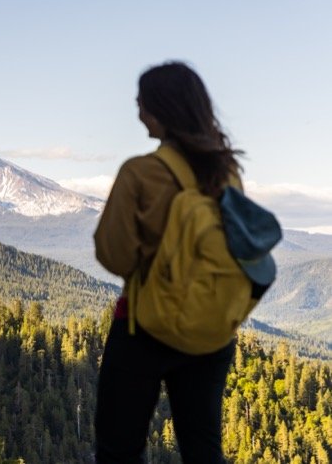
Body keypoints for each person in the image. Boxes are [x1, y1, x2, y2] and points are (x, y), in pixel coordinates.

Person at [93, 61, 241, 463]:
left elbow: (113, 254)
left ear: (157, 108)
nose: (137, 108)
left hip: (144, 325)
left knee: (118, 447)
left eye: (140, 100)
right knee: (203, 446)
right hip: (211, 328)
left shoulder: (139, 173)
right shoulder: (226, 173)